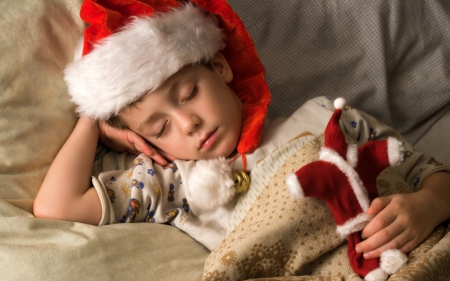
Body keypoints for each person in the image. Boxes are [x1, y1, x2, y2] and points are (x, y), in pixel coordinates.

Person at [34, 0, 450, 267]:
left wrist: (429, 204)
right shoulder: (173, 186)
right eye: (160, 128)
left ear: (220, 68)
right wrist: (95, 116)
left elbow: (428, 172)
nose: (188, 124)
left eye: (189, 94)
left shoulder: (325, 117)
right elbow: (56, 207)